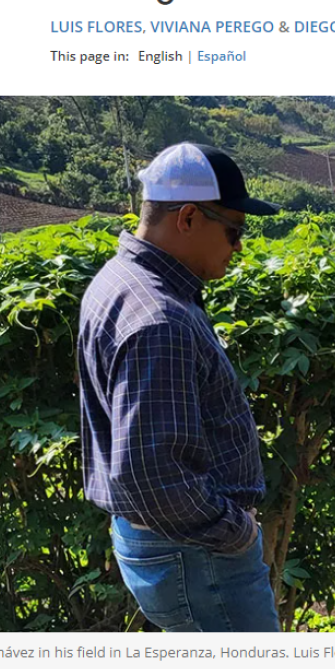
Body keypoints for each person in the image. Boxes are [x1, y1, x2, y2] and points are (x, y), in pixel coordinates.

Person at [77, 142, 282, 632]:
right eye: (234, 230)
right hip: (198, 555)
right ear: (188, 217)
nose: (238, 246)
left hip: (175, 550)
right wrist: (236, 531)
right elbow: (152, 477)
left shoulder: (122, 281)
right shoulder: (159, 317)